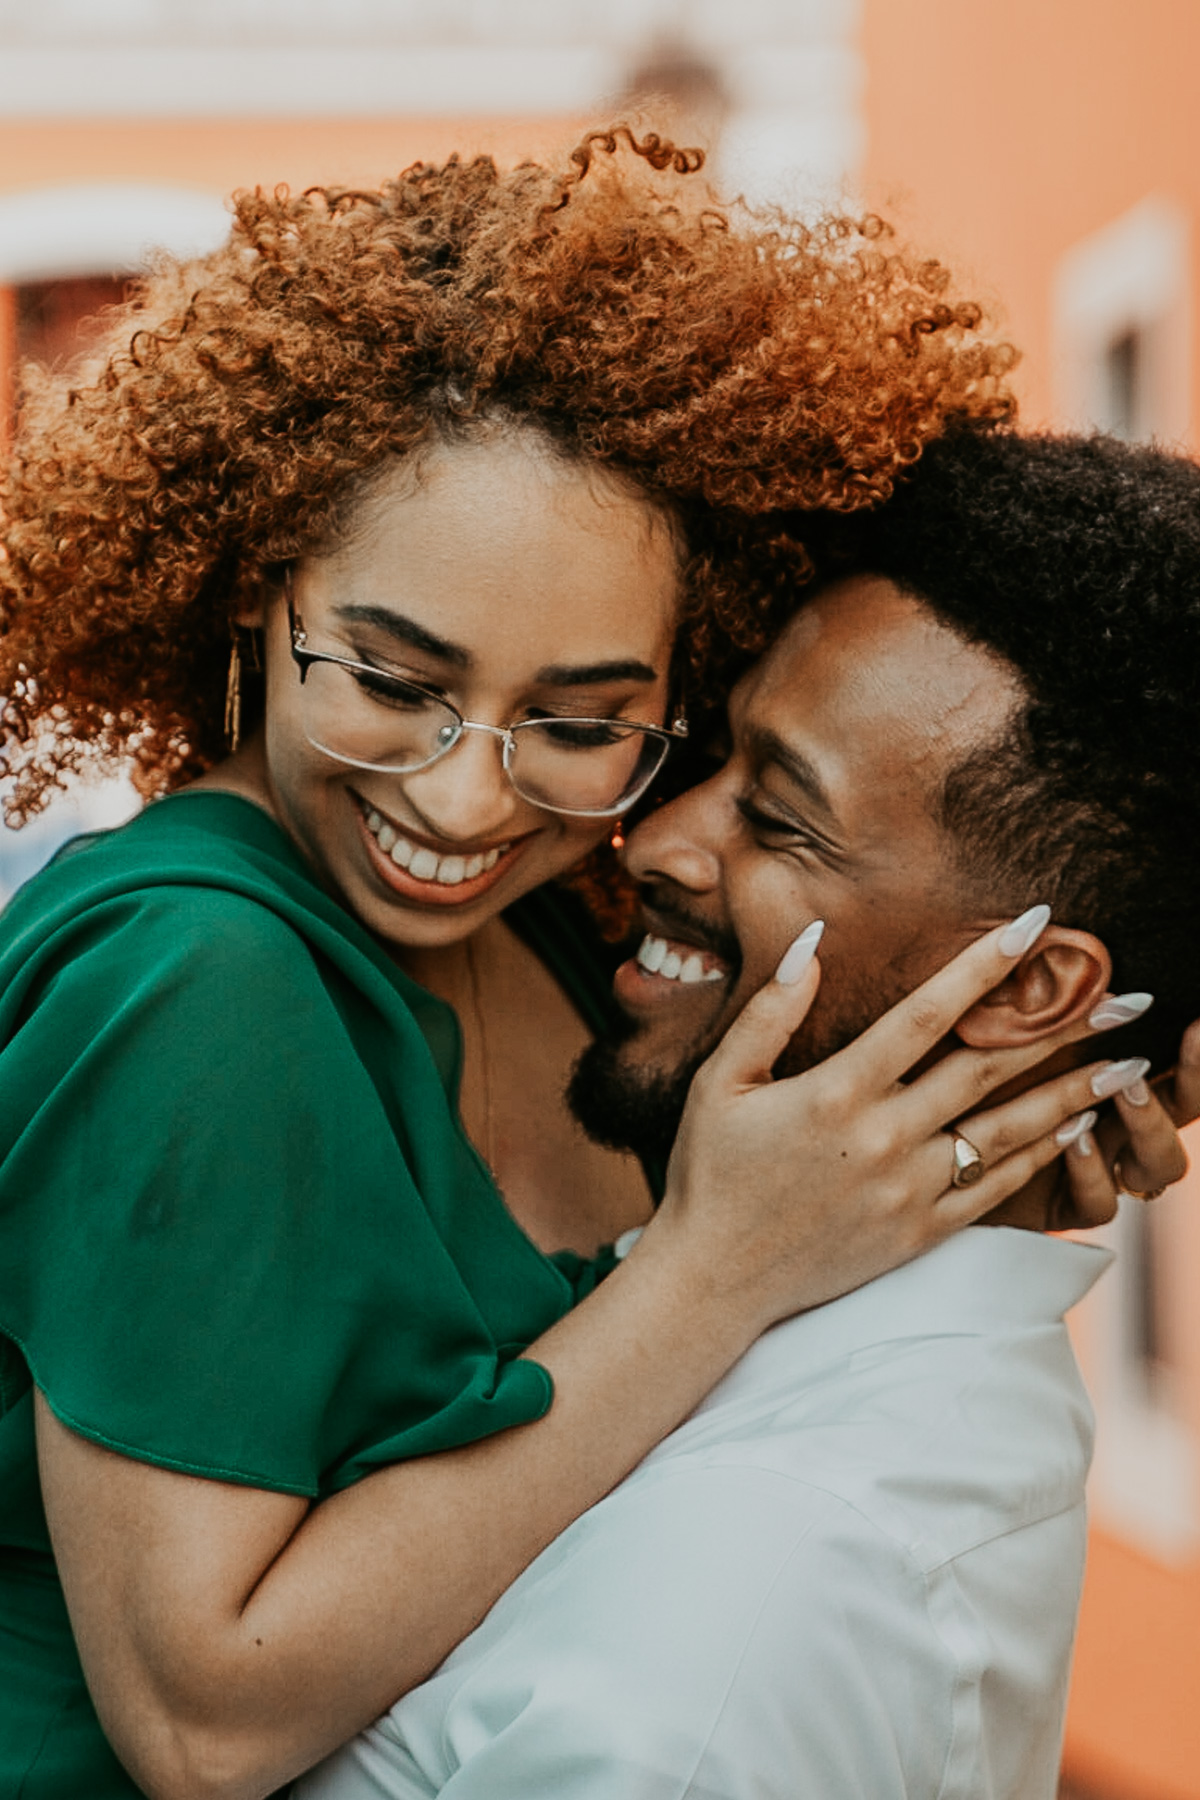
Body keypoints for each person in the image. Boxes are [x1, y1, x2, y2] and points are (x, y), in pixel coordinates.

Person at [302, 424, 1200, 1800]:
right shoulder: (764, 1335)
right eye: (709, 754)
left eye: (778, 823)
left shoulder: (733, 1620)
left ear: (1028, 988)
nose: (655, 841)